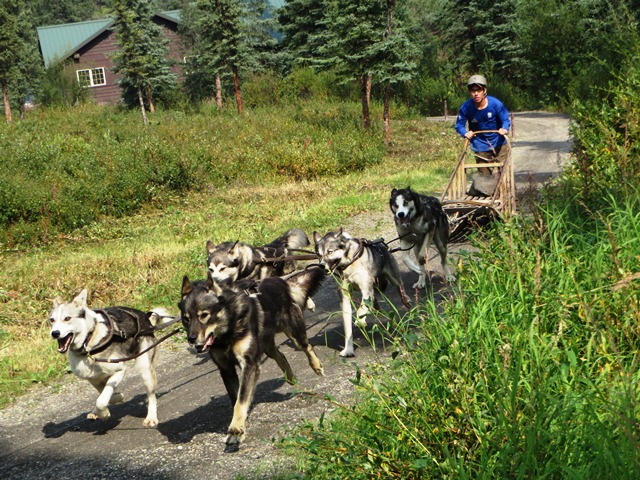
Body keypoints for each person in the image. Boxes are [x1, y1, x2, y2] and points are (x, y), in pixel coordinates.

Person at [455, 75, 511, 174]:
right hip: (480, 144)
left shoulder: (495, 104)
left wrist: (504, 129)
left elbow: (506, 120)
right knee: (484, 177)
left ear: (484, 91)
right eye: (473, 91)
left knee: (504, 173)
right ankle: (485, 189)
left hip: (498, 142)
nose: (476, 94)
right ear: (470, 92)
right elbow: (459, 125)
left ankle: (505, 188)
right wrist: (465, 133)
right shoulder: (466, 107)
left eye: (479, 90)